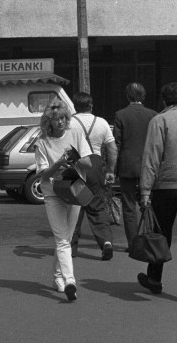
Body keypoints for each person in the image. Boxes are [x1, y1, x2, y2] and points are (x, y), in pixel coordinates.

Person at [33, 99, 92, 301]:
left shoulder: (76, 133)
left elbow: (89, 162)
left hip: (74, 191)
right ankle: (70, 281)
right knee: (62, 239)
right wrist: (59, 162)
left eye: (62, 118)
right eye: (55, 119)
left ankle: (58, 276)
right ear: (48, 122)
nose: (59, 122)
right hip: (52, 193)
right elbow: (43, 174)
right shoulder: (42, 142)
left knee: (66, 237)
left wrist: (74, 158)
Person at [137, 82, 177, 294]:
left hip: (166, 187)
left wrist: (145, 190)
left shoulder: (160, 120)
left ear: (164, 100)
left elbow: (151, 158)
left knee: (161, 234)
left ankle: (154, 279)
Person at [69, 91, 118, 260]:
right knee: (97, 205)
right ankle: (106, 242)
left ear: (75, 106)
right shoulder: (102, 123)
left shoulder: (69, 123)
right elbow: (112, 149)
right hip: (96, 164)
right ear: (91, 105)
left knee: (75, 206)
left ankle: (71, 248)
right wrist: (111, 171)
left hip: (76, 165)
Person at [113, 83, 157, 251]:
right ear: (143, 96)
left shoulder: (121, 115)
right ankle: (150, 239)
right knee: (148, 204)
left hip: (127, 166)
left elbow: (117, 143)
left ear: (128, 96)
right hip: (148, 166)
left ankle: (133, 244)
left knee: (129, 206)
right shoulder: (153, 115)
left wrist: (112, 169)